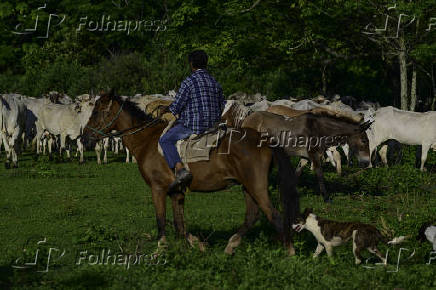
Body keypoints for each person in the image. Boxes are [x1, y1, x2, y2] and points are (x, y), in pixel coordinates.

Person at [159, 50, 225, 192]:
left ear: (191, 64)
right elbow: (222, 105)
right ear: (206, 64)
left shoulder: (188, 82)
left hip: (193, 126)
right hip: (213, 125)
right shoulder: (214, 82)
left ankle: (180, 169)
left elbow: (176, 106)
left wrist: (166, 109)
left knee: (165, 140)